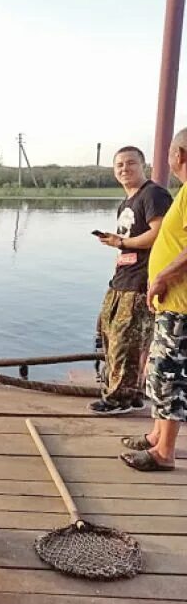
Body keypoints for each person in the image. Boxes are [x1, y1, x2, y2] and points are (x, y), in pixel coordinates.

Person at [120, 128, 187, 471]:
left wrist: (162, 276)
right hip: (171, 303)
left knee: (168, 375)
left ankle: (165, 453)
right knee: (158, 372)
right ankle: (157, 436)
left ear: (180, 155)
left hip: (181, 305)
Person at [89, 146, 172, 415]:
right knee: (108, 333)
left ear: (143, 165)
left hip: (141, 280)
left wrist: (121, 241)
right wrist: (118, 245)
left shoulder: (154, 194)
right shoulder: (126, 202)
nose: (124, 169)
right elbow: (128, 245)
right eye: (119, 165)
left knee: (127, 339)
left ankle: (120, 399)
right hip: (122, 279)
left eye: (130, 163)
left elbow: (159, 233)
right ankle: (132, 393)